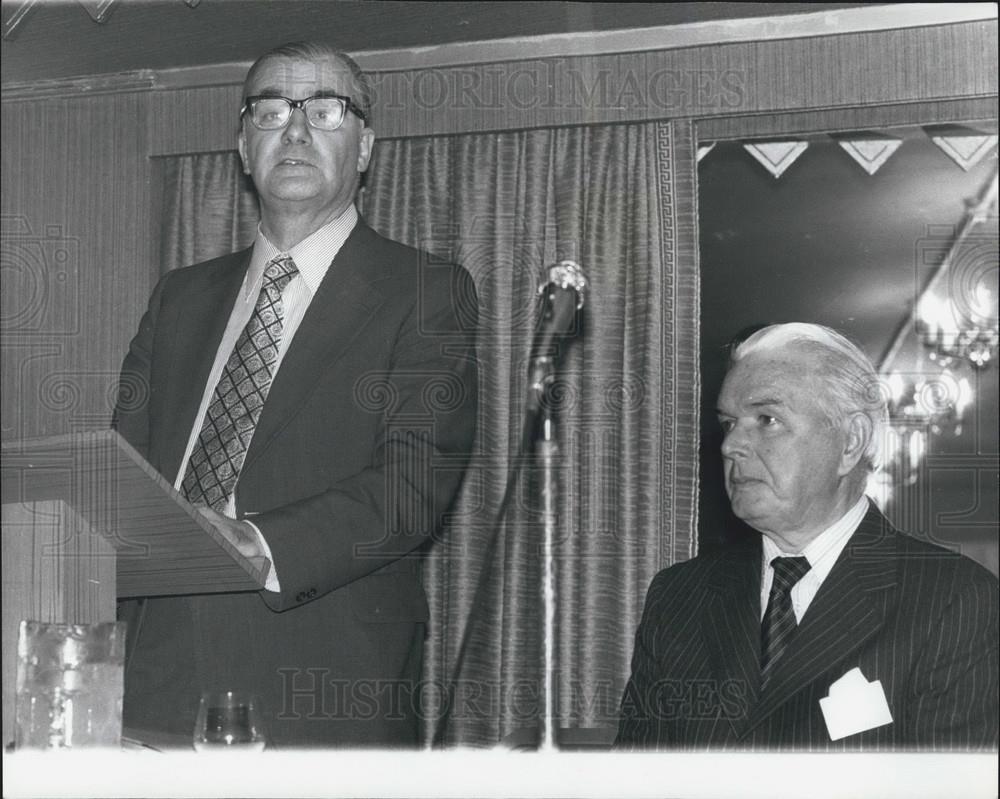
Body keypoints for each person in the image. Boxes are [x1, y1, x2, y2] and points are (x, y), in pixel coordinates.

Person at [114, 42, 478, 747]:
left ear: (365, 146)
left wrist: (258, 542)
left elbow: (412, 486)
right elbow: (123, 481)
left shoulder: (426, 293)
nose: (298, 130)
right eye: (272, 110)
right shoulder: (180, 298)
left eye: (326, 109)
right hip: (152, 685)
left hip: (322, 692)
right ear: (244, 146)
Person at [616, 323, 998, 750]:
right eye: (728, 424)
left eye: (767, 419)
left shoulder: (955, 601)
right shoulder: (679, 596)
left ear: (851, 442)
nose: (732, 446)